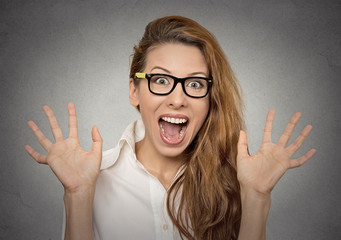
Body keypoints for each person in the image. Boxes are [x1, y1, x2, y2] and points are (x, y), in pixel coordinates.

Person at [25, 16, 316, 240]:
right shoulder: (89, 180)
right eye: (161, 80)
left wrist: (256, 197)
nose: (178, 99)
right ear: (134, 91)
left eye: (194, 84)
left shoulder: (235, 184)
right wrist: (77, 195)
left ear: (211, 98)